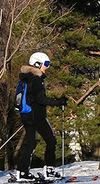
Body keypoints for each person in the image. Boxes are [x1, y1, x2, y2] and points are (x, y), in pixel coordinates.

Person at [15, 52, 67, 182]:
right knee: (51, 140)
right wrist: (58, 101)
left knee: (31, 143)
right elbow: (41, 99)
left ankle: (22, 172)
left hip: (26, 116)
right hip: (37, 116)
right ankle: (49, 170)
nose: (48, 67)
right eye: (46, 64)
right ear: (38, 64)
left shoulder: (24, 79)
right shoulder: (36, 80)